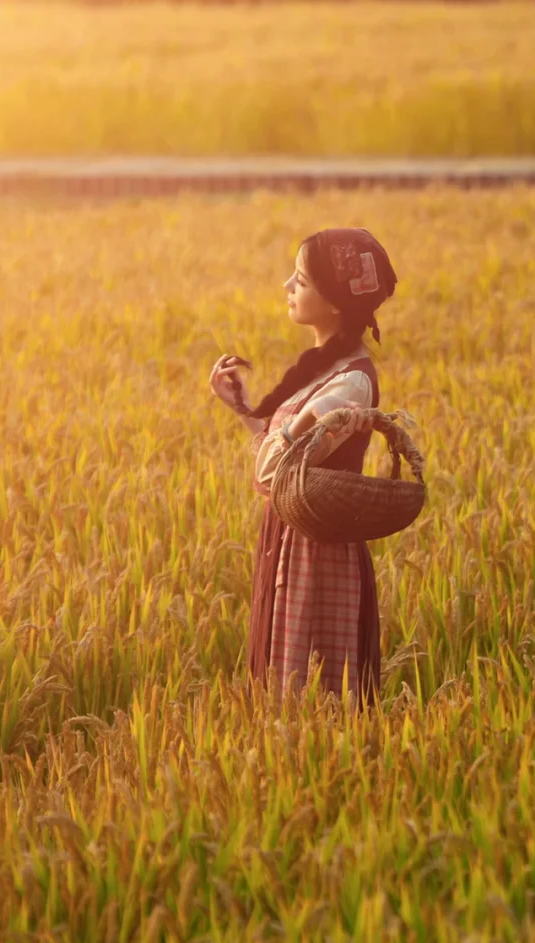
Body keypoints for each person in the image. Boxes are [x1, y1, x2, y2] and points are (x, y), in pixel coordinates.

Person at [208, 228, 397, 705]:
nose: (287, 288)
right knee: (282, 690)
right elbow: (282, 465)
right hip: (290, 537)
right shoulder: (325, 370)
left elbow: (275, 471)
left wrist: (274, 431)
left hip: (318, 551)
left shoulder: (350, 383)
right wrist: (245, 412)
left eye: (301, 280)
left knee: (315, 694)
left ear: (334, 303)